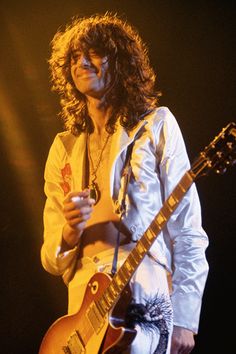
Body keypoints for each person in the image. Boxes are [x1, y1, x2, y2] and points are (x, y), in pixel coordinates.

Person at [41, 12, 209, 354]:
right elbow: (50, 258)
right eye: (74, 57)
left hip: (143, 290)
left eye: (95, 52)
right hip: (83, 312)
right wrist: (69, 234)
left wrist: (186, 318)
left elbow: (188, 228)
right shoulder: (64, 147)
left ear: (121, 62)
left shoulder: (156, 125)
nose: (82, 62)